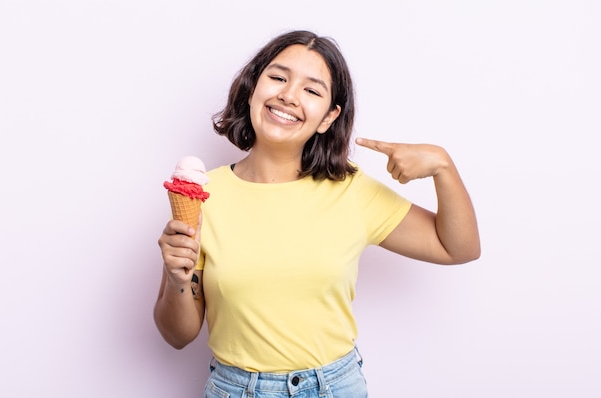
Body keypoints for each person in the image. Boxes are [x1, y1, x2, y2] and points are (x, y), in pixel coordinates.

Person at [154, 30, 480, 397]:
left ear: (328, 117)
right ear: (251, 90)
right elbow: (177, 336)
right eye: (277, 78)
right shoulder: (203, 196)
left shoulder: (351, 190)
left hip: (336, 387)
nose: (289, 95)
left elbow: (459, 248)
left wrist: (443, 167)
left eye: (312, 90)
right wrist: (177, 278)